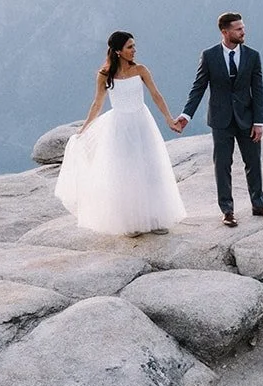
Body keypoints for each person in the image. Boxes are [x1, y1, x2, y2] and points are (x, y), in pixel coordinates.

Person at [55, 31, 187, 235]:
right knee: (125, 172)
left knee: (149, 169)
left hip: (142, 122)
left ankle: (154, 218)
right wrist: (84, 129)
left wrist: (169, 118)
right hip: (119, 125)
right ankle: (130, 222)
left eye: (134, 46)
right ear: (118, 51)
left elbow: (156, 95)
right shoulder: (104, 75)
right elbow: (97, 103)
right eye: (129, 47)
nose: (134, 50)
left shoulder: (141, 70)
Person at [173, 11, 263, 226]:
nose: (243, 32)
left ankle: (259, 204)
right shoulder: (209, 56)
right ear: (225, 31)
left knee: (253, 163)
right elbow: (199, 87)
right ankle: (227, 211)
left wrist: (259, 122)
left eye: (243, 28)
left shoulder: (252, 56)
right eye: (238, 29)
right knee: (222, 165)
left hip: (247, 119)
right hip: (220, 120)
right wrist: (186, 115)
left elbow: (258, 90)